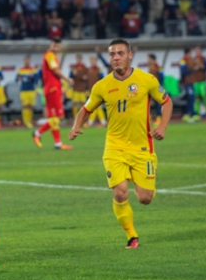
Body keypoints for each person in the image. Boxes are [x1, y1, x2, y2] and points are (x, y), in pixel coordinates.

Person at [68, 39, 172, 248]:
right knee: (120, 192)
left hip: (142, 147)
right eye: (112, 54)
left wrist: (161, 128)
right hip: (114, 147)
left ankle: (135, 177)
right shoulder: (102, 85)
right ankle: (132, 236)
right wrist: (76, 125)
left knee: (145, 198)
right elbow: (86, 109)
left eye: (120, 53)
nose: (116, 57)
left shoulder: (147, 80)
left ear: (130, 55)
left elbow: (166, 102)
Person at [33, 38, 73, 150]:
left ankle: (57, 143)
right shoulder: (49, 55)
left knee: (55, 117)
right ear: (51, 45)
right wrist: (67, 79)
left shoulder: (52, 56)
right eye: (55, 45)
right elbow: (55, 70)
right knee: (58, 116)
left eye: (58, 46)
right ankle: (37, 133)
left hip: (54, 88)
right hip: (52, 89)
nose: (57, 48)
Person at [15, 55, 39, 129]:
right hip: (23, 90)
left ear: (30, 61)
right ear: (24, 61)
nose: (27, 61)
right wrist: (19, 78)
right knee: (25, 106)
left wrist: (32, 76)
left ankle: (29, 121)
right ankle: (26, 122)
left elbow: (36, 81)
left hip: (31, 90)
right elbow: (16, 79)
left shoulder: (33, 69)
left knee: (31, 106)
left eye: (28, 60)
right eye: (25, 60)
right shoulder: (20, 70)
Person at [86, 55, 106, 127]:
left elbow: (103, 79)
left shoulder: (99, 69)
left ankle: (91, 123)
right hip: (90, 90)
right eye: (91, 60)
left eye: (93, 60)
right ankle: (102, 122)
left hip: (98, 90)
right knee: (94, 107)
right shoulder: (88, 70)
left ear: (96, 61)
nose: (92, 62)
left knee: (96, 106)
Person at [191, 46, 206, 120]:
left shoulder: (204, 59)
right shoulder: (193, 60)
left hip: (203, 81)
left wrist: (201, 66)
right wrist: (195, 68)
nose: (197, 52)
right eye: (196, 51)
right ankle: (197, 113)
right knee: (197, 97)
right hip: (195, 81)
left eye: (198, 50)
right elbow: (191, 69)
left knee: (204, 95)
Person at [178, 48, 196, 123]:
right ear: (187, 53)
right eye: (190, 53)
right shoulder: (182, 60)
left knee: (191, 98)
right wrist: (193, 70)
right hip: (186, 83)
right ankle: (189, 115)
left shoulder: (191, 60)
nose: (191, 55)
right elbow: (184, 72)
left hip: (191, 82)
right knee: (190, 98)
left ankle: (188, 114)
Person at [147, 54, 164, 126]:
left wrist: (160, 86)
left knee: (158, 103)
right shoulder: (150, 67)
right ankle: (149, 118)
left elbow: (162, 76)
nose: (147, 60)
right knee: (147, 102)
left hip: (157, 87)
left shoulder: (158, 67)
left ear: (152, 59)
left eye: (148, 59)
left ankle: (159, 118)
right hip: (151, 87)